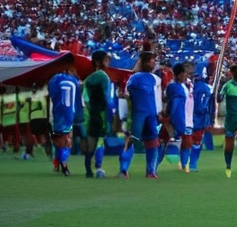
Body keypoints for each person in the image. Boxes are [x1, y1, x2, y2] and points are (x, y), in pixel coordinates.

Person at [120, 51, 162, 179]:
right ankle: (123, 170)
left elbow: (157, 97)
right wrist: (124, 116)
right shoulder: (134, 78)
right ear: (143, 62)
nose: (153, 63)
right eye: (151, 61)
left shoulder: (155, 78)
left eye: (154, 61)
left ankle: (150, 171)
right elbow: (126, 97)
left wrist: (159, 112)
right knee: (131, 139)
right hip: (138, 113)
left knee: (153, 141)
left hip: (151, 114)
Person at [81, 50, 116, 178]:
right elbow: (107, 98)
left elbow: (85, 96)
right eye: (106, 59)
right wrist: (111, 113)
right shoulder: (103, 77)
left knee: (91, 141)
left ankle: (88, 170)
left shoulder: (89, 79)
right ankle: (99, 168)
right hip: (101, 113)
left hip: (91, 113)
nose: (108, 61)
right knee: (100, 141)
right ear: (98, 62)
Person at [47, 64, 81, 177]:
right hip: (70, 114)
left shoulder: (54, 79)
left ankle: (59, 164)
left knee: (59, 140)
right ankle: (64, 165)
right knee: (66, 140)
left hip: (57, 114)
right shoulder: (75, 81)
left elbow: (51, 94)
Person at [164, 62, 196, 172]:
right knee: (186, 141)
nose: (186, 75)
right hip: (181, 117)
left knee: (187, 142)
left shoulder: (187, 85)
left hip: (188, 117)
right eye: (184, 73)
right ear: (178, 75)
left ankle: (183, 163)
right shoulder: (173, 86)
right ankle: (183, 164)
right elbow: (171, 102)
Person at [190, 64, 215, 172]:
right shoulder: (207, 88)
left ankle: (185, 162)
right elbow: (209, 106)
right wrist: (210, 119)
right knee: (197, 141)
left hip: (189, 117)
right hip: (200, 118)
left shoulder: (190, 86)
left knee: (187, 140)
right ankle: (193, 163)